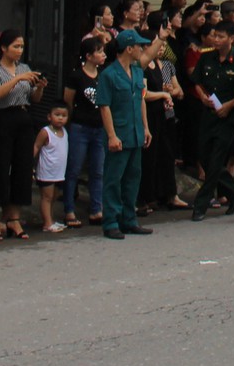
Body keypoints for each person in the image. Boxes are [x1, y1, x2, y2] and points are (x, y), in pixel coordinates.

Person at [97, 27, 160, 239]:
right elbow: (104, 106)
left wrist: (145, 127)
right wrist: (112, 135)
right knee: (114, 179)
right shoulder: (109, 74)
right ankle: (111, 221)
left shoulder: (137, 71)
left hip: (135, 132)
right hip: (120, 132)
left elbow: (140, 99)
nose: (143, 49)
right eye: (140, 46)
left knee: (133, 178)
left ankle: (129, 219)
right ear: (129, 48)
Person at [0, 29, 44, 242]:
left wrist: (38, 87)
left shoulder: (24, 68)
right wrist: (18, 79)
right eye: (16, 46)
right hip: (3, 118)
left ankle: (14, 218)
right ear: (4, 48)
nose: (19, 51)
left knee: (22, 168)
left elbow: (33, 98)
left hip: (23, 117)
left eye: (22, 47)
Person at [189, 19, 234, 220]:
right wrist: (202, 96)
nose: (217, 40)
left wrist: (229, 106)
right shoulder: (206, 57)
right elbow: (197, 82)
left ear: (230, 38)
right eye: (215, 36)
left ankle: (201, 205)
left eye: (221, 37)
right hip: (208, 115)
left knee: (217, 158)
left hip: (227, 117)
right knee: (204, 155)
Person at [140, 9, 190, 214]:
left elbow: (179, 90)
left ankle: (170, 194)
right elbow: (143, 93)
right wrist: (162, 94)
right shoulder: (142, 66)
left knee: (167, 156)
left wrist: (172, 91)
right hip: (150, 114)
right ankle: (147, 197)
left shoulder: (167, 66)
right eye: (157, 44)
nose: (161, 48)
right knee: (149, 157)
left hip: (167, 115)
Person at [62, 34, 110, 227]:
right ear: (89, 56)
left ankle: (96, 209)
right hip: (80, 127)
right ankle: (69, 210)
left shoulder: (104, 74)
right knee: (73, 169)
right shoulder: (76, 75)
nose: (103, 55)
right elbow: (68, 102)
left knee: (97, 170)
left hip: (99, 127)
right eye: (99, 51)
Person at [33, 103, 70, 232]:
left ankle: (51, 219)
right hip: (46, 171)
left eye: (64, 115)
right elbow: (36, 146)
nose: (60, 118)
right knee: (46, 197)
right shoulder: (45, 132)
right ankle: (47, 223)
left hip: (59, 172)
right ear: (49, 116)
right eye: (57, 115)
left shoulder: (64, 131)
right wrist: (31, 164)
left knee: (54, 196)